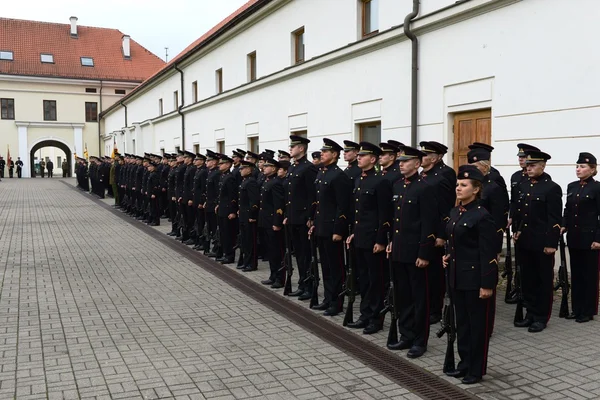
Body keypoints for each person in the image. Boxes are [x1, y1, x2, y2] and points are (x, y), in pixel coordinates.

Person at [442, 165, 498, 385]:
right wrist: (446, 255)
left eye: (464, 185)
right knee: (462, 325)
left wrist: (487, 284)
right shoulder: (456, 212)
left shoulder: (482, 216)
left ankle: (476, 369)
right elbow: (454, 242)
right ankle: (464, 363)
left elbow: (489, 253)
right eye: (457, 184)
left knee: (478, 326)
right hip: (457, 277)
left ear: (476, 189)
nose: (458, 188)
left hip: (475, 280)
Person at [386, 146, 437, 359]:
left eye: (406, 161)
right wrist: (390, 242)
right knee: (403, 296)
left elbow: (428, 223)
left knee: (419, 298)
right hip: (399, 251)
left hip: (416, 253)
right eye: (400, 161)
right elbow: (395, 220)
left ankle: (419, 340)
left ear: (417, 164)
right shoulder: (397, 185)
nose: (401, 164)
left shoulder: (425, 187)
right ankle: (406, 334)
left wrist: (424, 253)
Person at [513, 149, 562, 333]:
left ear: (543, 166)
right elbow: (519, 212)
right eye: (527, 165)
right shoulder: (523, 185)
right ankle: (530, 313)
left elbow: (554, 219)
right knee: (528, 280)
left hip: (542, 243)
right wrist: (516, 230)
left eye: (532, 165)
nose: (528, 168)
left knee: (543, 280)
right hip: (525, 241)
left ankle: (541, 317)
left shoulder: (551, 188)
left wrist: (551, 243)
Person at [346, 142, 392, 334]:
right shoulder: (359, 180)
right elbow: (360, 213)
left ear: (373, 160)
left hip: (374, 239)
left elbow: (385, 214)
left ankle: (376, 318)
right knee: (363, 280)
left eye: (362, 156)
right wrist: (354, 233)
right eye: (358, 156)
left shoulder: (380, 181)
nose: (358, 158)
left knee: (376, 281)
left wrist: (381, 240)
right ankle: (364, 315)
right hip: (361, 238)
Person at [310, 138, 353, 316]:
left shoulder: (338, 176)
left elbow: (343, 206)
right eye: (322, 151)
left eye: (325, 152)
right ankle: (328, 298)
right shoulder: (322, 173)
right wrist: (313, 222)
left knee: (336, 267)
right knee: (326, 266)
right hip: (321, 227)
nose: (322, 154)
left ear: (334, 155)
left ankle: (337, 302)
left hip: (332, 229)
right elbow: (319, 203)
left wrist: (338, 230)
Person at [419, 141, 456, 324]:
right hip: (422, 230)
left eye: (425, 155)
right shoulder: (423, 175)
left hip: (435, 231)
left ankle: (435, 309)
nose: (421, 157)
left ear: (435, 157)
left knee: (435, 273)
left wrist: (442, 234)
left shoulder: (444, 175)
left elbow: (446, 208)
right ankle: (425, 304)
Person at [562, 152, 600, 323]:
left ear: (592, 170)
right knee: (576, 275)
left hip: (590, 239)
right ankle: (576, 309)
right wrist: (563, 225)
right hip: (574, 237)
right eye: (577, 166)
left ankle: (588, 310)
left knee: (589, 275)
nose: (578, 169)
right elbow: (567, 210)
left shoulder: (597, 188)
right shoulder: (572, 186)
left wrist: (598, 239)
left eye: (582, 166)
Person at [285, 135, 319, 301]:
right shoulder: (293, 168)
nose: (290, 148)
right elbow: (291, 195)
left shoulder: (308, 168)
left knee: (306, 254)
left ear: (301, 149)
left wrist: (311, 217)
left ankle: (310, 285)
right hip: (293, 217)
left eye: (293, 146)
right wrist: (287, 215)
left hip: (304, 218)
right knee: (298, 254)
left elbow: (312, 195)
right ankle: (301, 283)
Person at [506, 143, 540, 303]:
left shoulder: (538, 179)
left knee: (531, 264)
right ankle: (519, 290)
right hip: (518, 224)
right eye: (519, 157)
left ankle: (530, 294)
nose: (521, 160)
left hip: (532, 226)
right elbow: (514, 201)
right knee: (519, 260)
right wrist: (511, 217)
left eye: (524, 157)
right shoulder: (516, 176)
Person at [259, 158, 286, 288]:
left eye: (267, 166)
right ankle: (273, 275)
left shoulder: (276, 183)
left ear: (274, 168)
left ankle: (280, 278)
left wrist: (277, 222)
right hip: (265, 221)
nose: (264, 168)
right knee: (270, 251)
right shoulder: (267, 181)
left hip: (273, 222)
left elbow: (279, 205)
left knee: (277, 251)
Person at [238, 160, 260, 271]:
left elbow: (254, 201)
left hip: (249, 216)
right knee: (244, 240)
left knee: (250, 241)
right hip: (243, 215)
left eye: (242, 168)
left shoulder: (251, 182)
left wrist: (252, 215)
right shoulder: (245, 181)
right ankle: (246, 262)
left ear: (249, 169)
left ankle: (252, 263)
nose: (240, 170)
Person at [216, 155, 238, 264]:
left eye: (221, 163)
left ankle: (230, 255)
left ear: (228, 165)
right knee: (223, 233)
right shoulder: (223, 176)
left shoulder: (230, 177)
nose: (219, 165)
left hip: (228, 210)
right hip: (222, 209)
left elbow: (232, 196)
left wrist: (233, 211)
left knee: (229, 234)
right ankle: (225, 253)